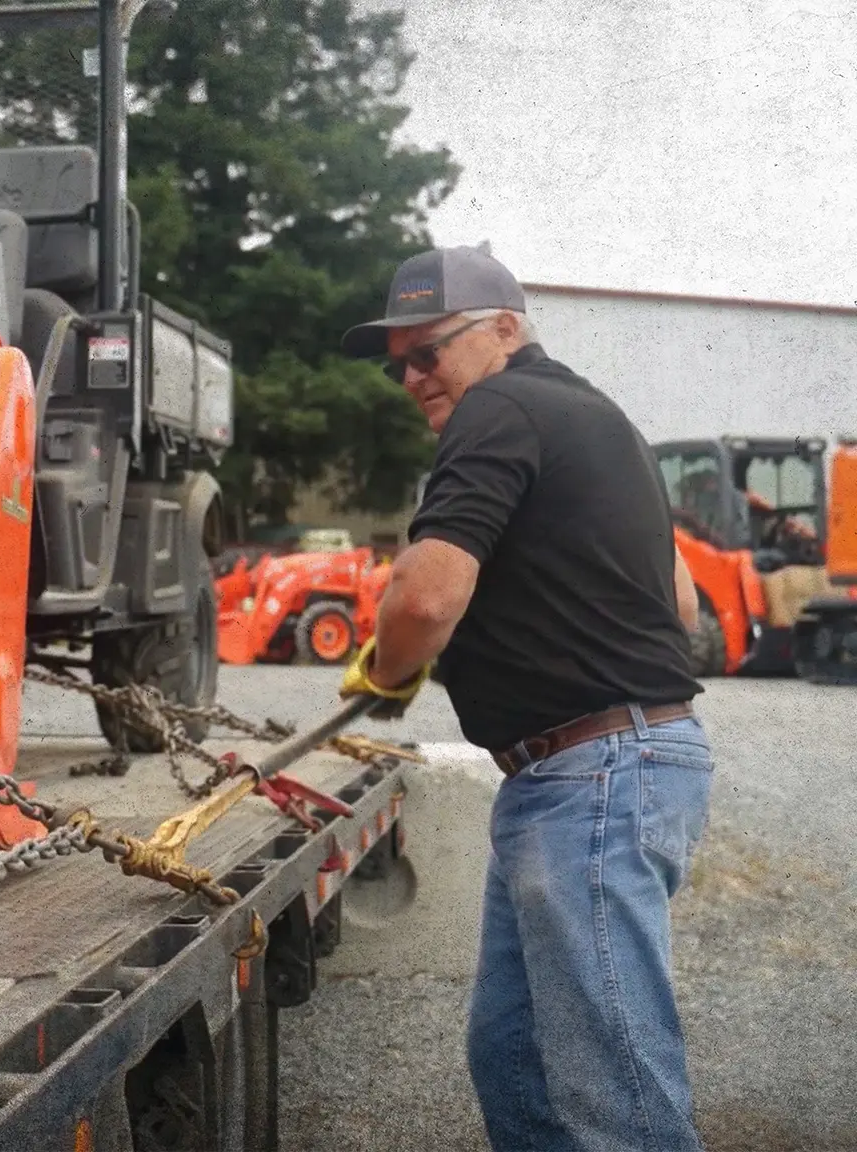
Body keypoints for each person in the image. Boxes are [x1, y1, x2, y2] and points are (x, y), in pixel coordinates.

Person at [336, 245, 713, 1152]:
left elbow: (424, 596)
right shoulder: (600, 418)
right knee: (514, 1056)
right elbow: (684, 605)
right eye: (402, 364)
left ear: (506, 329)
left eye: (431, 351)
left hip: (592, 775)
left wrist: (389, 674)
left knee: (610, 1084)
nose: (414, 376)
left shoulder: (497, 404)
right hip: (604, 768)